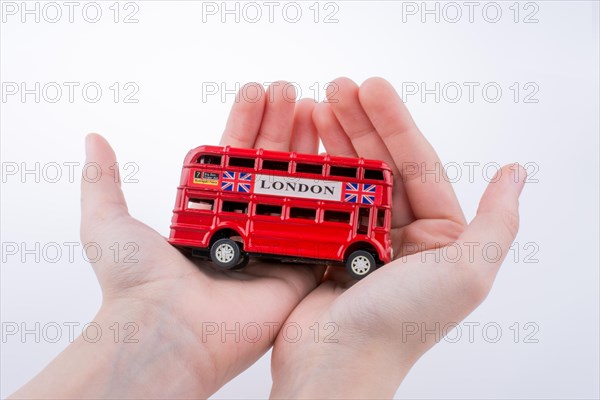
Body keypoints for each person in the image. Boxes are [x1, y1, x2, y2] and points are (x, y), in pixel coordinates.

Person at [9, 77, 526, 399]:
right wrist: (153, 323)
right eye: (205, 203)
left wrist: (346, 357)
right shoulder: (227, 218)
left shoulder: (360, 224)